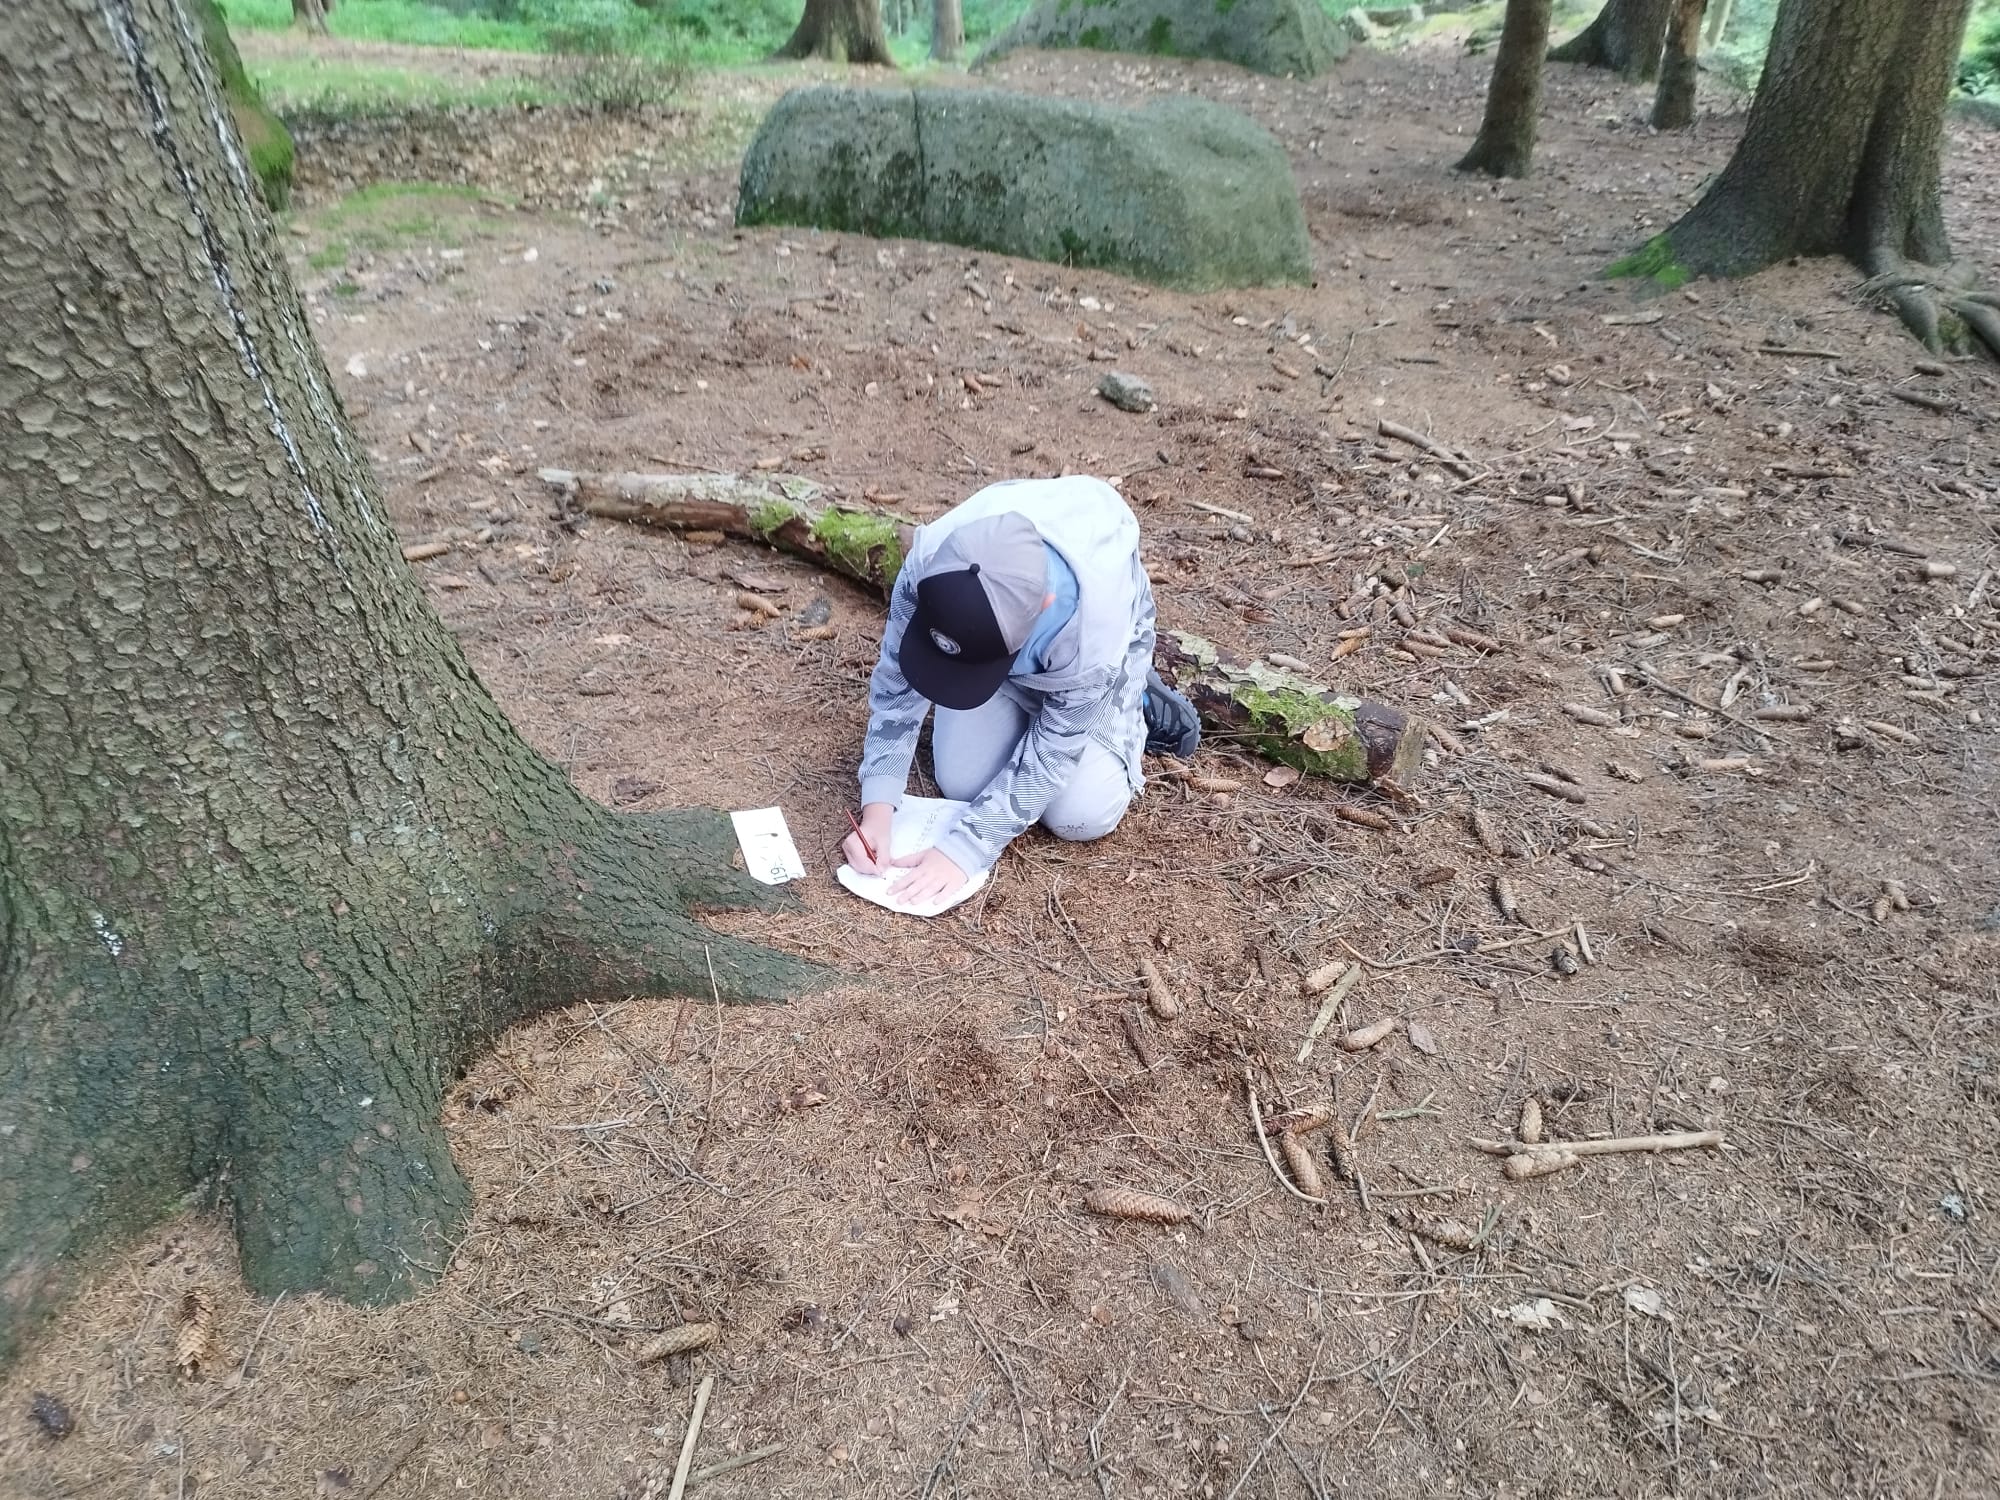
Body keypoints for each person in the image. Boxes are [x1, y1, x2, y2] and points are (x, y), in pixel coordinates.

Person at [842, 475, 1200, 908]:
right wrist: (878, 808)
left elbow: (1052, 753)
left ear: (1044, 606)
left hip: (1087, 669)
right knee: (961, 781)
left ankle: (1136, 696)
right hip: (1002, 655)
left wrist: (964, 851)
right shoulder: (930, 561)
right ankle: (1011, 690)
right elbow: (897, 685)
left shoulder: (1092, 634)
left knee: (1081, 813)